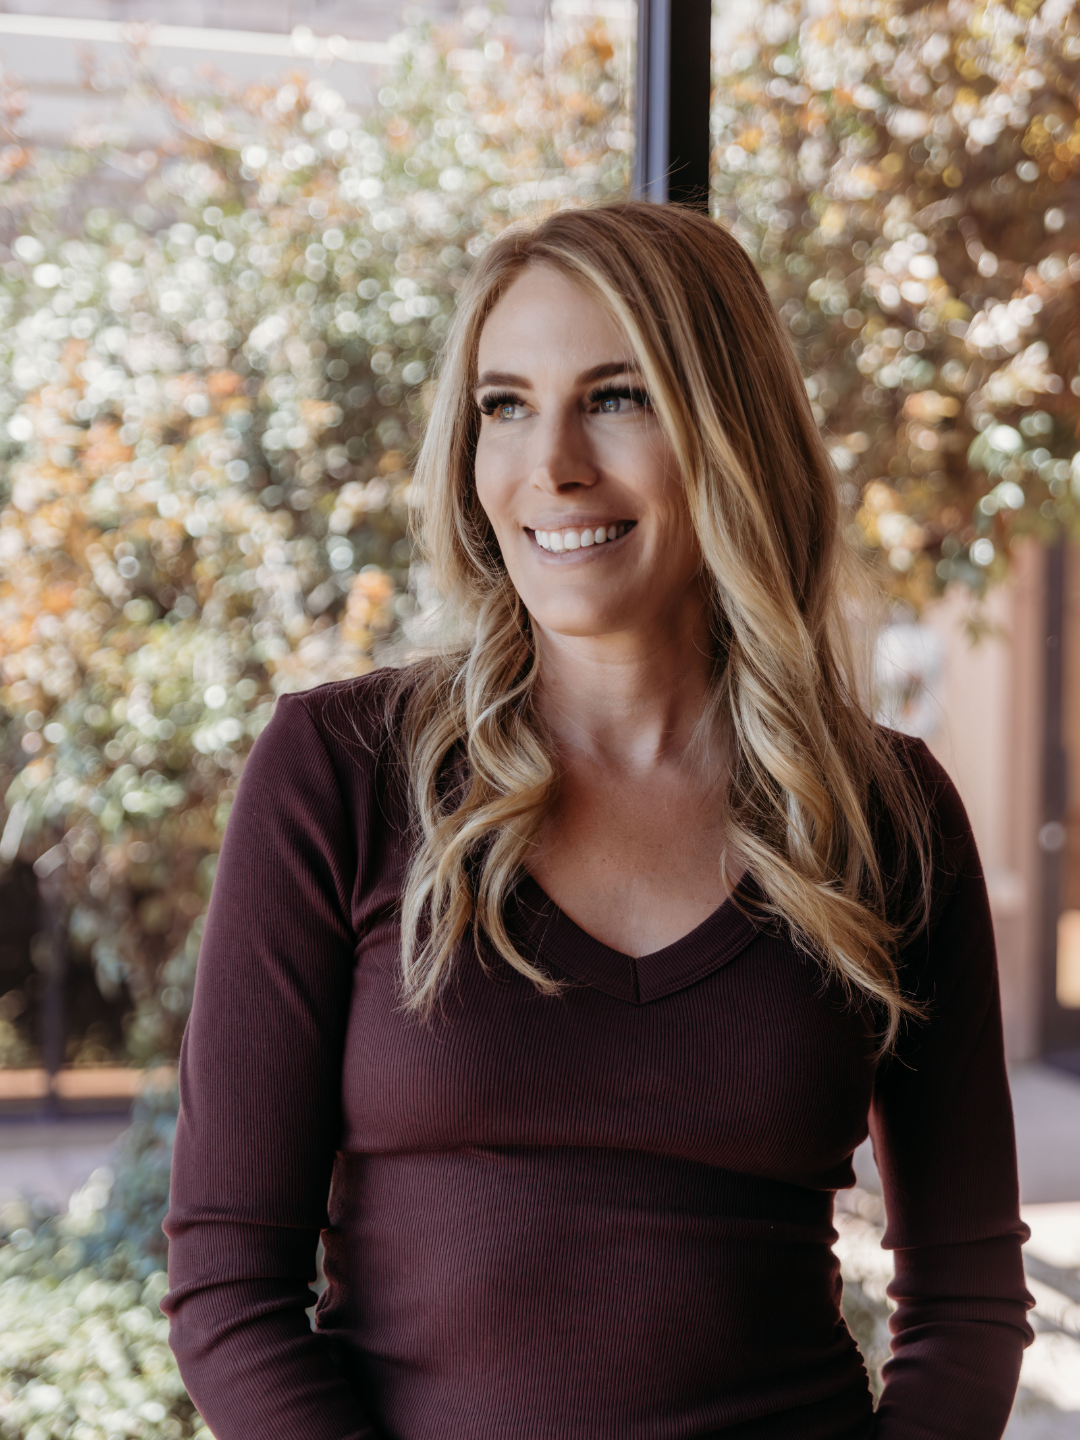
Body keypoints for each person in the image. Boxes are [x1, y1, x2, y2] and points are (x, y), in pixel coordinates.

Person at [163, 202, 1033, 1440]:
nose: (551, 466)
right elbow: (229, 1294)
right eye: (504, 405)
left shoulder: (885, 816)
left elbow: (969, 1299)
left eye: (616, 397)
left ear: (729, 433)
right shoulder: (341, 772)